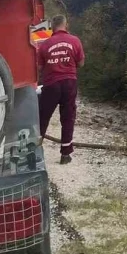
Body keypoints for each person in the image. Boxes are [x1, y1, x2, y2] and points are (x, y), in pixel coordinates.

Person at [37, 14, 85, 164]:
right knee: (68, 117)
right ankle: (65, 154)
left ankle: (35, 152)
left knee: (42, 117)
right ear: (66, 25)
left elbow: (39, 67)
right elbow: (81, 63)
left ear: (51, 27)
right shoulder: (75, 41)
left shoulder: (45, 45)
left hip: (51, 84)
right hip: (69, 83)